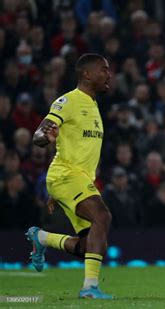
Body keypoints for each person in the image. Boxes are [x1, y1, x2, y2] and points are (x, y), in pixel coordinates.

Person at [27, 53, 113, 299]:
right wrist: (46, 138)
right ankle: (89, 289)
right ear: (86, 74)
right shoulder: (68, 101)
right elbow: (39, 135)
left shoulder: (93, 104)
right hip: (66, 175)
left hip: (77, 180)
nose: (108, 74)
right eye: (103, 69)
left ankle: (42, 238)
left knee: (92, 246)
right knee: (102, 216)